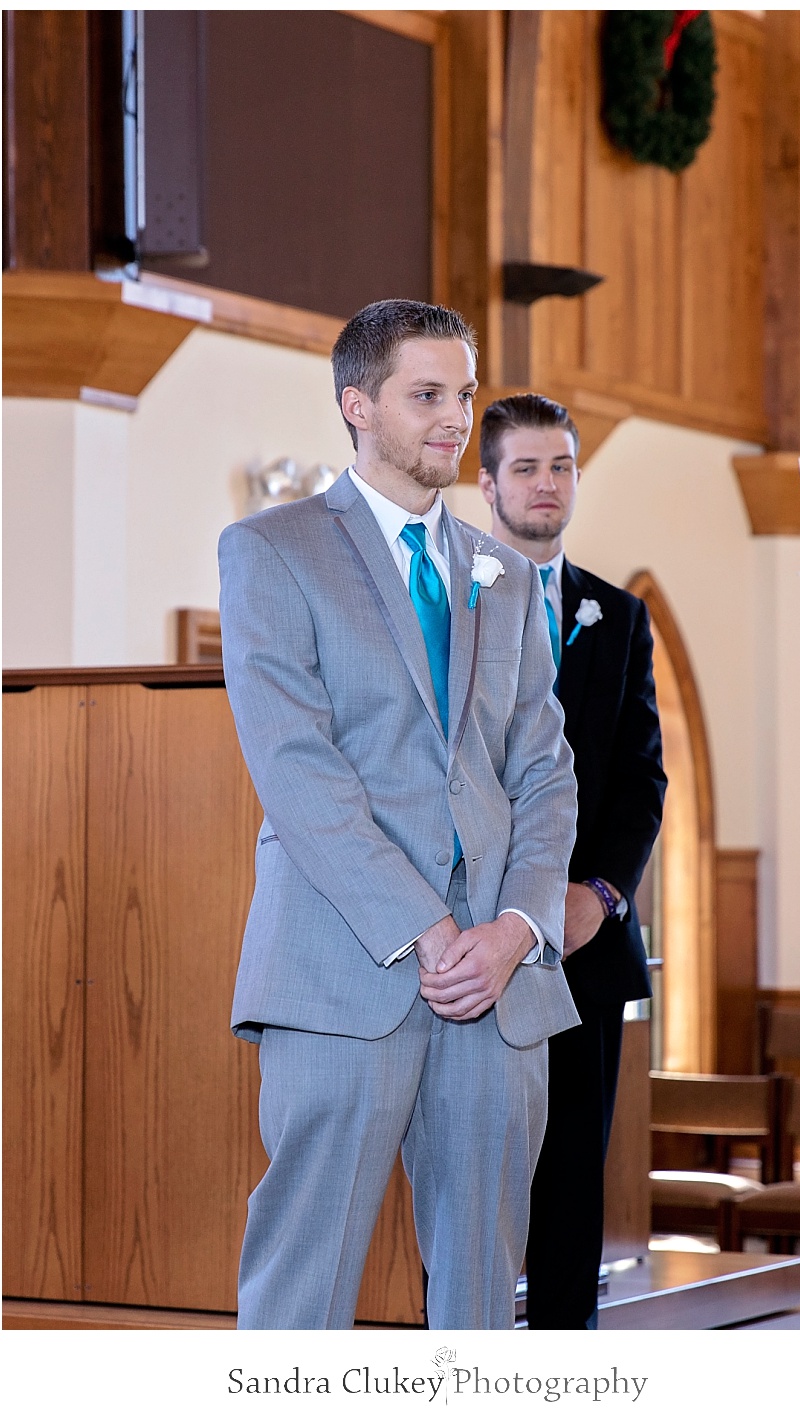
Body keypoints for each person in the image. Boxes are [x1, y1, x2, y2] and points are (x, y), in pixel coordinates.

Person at [218, 302, 579, 1330]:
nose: (455, 418)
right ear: (357, 404)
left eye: (464, 393)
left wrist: (516, 927)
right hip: (346, 967)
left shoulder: (505, 574)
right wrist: (427, 926)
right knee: (306, 1290)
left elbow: (547, 774)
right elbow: (297, 768)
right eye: (427, 394)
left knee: (479, 1306)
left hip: (499, 983)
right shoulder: (271, 549)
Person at [477, 393, 667, 1330]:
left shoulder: (618, 616)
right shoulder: (449, 595)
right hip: (468, 940)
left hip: (583, 945)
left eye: (561, 467)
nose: (546, 484)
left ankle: (561, 1361)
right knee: (469, 1170)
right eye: (526, 467)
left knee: (570, 1178)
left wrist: (599, 894)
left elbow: (640, 780)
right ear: (487, 484)